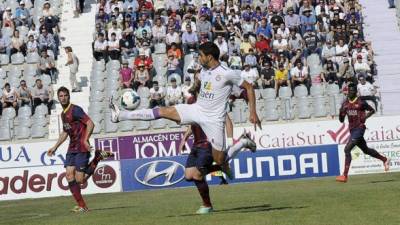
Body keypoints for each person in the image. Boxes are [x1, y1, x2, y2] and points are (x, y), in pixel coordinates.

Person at [109, 42, 261, 171]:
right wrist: (195, 87)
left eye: (201, 55)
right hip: (197, 110)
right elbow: (202, 87)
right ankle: (120, 115)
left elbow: (249, 88)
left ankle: (243, 142)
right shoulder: (203, 71)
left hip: (214, 119)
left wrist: (252, 112)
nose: (199, 58)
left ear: (209, 57)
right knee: (162, 111)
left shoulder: (227, 73)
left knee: (220, 161)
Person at [178, 83, 256, 214]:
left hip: (210, 142)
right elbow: (192, 123)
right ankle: (227, 160)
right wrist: (184, 138)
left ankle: (207, 206)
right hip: (197, 143)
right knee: (188, 175)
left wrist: (230, 139)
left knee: (197, 174)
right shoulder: (191, 101)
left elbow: (226, 119)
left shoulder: (213, 101)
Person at [47, 87, 113, 212]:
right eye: (61, 96)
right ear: (58, 98)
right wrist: (54, 147)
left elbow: (90, 123)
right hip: (71, 148)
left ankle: (97, 157)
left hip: (82, 147)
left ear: (69, 96)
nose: (63, 98)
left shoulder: (75, 110)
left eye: (65, 95)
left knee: (80, 180)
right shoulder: (63, 114)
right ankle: (82, 206)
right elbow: (65, 132)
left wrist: (85, 139)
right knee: (68, 175)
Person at [336, 84, 390, 183]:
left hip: (359, 129)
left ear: (355, 92)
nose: (350, 92)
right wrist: (340, 113)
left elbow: (372, 110)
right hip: (352, 130)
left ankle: (344, 175)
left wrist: (365, 117)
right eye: (349, 90)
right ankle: (384, 159)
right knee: (366, 150)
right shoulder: (345, 104)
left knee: (347, 149)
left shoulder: (361, 102)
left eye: (352, 90)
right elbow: (341, 120)